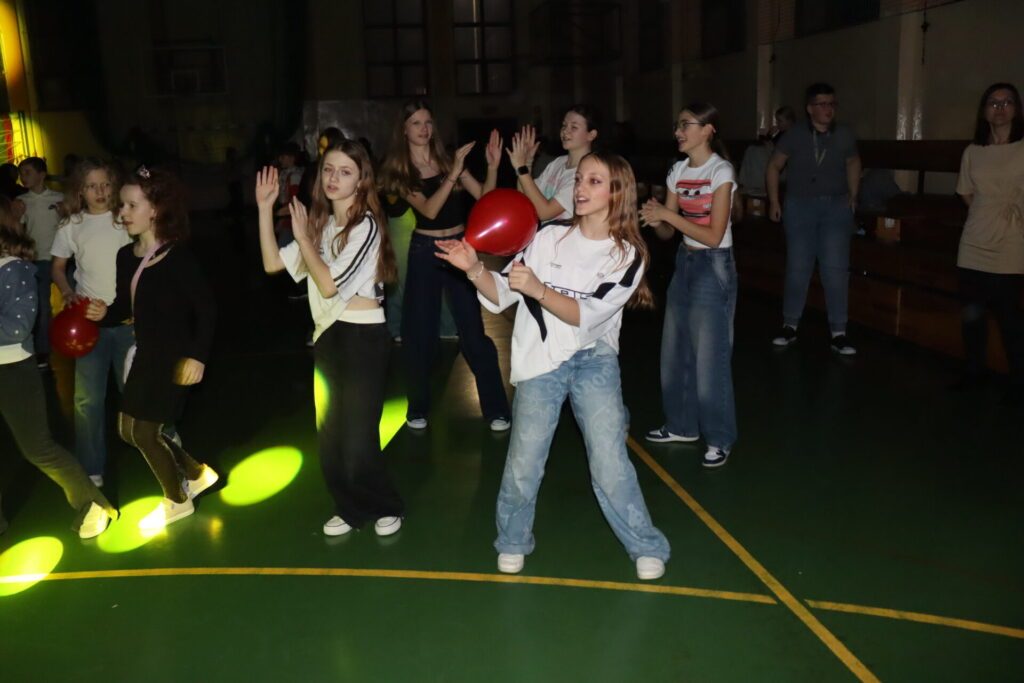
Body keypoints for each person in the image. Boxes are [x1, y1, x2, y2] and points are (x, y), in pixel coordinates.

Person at [435, 151, 671, 580]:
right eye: (579, 179)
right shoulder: (546, 238)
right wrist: (473, 268)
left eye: (594, 181)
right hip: (541, 359)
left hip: (594, 360)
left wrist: (539, 289)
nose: (580, 188)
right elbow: (502, 293)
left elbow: (585, 315)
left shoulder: (628, 255)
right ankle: (512, 539)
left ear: (617, 192)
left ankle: (645, 544)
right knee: (524, 460)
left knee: (609, 461)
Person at [256, 140, 405, 536]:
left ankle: (385, 504)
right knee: (330, 436)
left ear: (361, 181)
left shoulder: (366, 227)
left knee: (358, 439)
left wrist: (305, 239)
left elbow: (328, 286)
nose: (333, 178)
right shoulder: (320, 224)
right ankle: (349, 508)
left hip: (363, 338)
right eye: (328, 169)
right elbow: (272, 263)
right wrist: (265, 208)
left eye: (345, 171)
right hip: (327, 336)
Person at [85, 167, 218, 530]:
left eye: (132, 205)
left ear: (155, 210)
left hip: (175, 358)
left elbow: (206, 309)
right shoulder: (125, 257)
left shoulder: (178, 258)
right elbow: (125, 308)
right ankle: (196, 473)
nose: (123, 212)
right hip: (145, 354)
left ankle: (177, 500)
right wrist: (104, 313)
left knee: (145, 432)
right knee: (127, 431)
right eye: (122, 205)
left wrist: (198, 356)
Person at [379, 99, 511, 431]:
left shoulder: (448, 160)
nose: (424, 129)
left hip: (460, 249)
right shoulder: (400, 171)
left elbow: (485, 198)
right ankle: (418, 408)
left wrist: (492, 167)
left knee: (473, 332)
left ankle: (496, 409)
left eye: (428, 122)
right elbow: (429, 210)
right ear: (404, 129)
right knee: (419, 332)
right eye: (416, 123)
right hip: (425, 250)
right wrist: (452, 174)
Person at [0, 196, 115, 539]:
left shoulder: (14, 269)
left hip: (11, 371)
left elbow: (18, 327)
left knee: (38, 448)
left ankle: (93, 504)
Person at [641, 103, 739, 468]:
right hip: (685, 262)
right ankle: (681, 425)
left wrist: (669, 215)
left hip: (714, 266)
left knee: (711, 358)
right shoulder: (678, 170)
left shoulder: (720, 171)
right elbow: (669, 233)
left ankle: (720, 437)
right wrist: (658, 221)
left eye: (686, 125)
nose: (678, 132)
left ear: (708, 129)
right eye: (677, 125)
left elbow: (714, 235)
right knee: (675, 349)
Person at [50, 159, 133, 487]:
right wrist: (67, 291)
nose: (100, 191)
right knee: (87, 401)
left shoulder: (125, 219)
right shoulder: (72, 225)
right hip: (89, 325)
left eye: (105, 184)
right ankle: (91, 467)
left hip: (127, 320)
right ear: (80, 191)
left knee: (136, 392)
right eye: (91, 186)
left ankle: (166, 448)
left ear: (114, 186)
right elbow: (58, 267)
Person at [767, 83, 861, 355]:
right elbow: (774, 166)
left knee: (836, 269)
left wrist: (854, 194)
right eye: (822, 104)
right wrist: (774, 201)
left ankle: (839, 332)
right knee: (798, 267)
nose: (828, 109)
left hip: (835, 207)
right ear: (810, 109)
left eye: (831, 104)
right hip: (800, 207)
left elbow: (853, 162)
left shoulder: (844, 134)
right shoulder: (795, 134)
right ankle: (790, 325)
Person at [953, 82, 1024, 405]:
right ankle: (974, 371)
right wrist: (986, 213)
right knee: (972, 313)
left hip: (1012, 237)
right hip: (975, 239)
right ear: (984, 111)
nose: (1000, 108)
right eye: (993, 102)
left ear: (1016, 109)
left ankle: (1018, 379)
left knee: (1010, 316)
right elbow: (965, 192)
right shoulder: (973, 151)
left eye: (1007, 102)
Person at [507, 104, 600, 223]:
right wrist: (527, 164)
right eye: (564, 125)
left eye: (574, 127)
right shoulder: (558, 162)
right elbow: (525, 195)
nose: (565, 131)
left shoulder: (587, 173)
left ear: (591, 135)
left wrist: (521, 168)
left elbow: (544, 213)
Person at [18, 157, 64, 368]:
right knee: (43, 307)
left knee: (74, 300)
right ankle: (43, 351)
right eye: (21, 173)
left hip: (61, 258)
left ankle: (81, 341)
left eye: (27, 172)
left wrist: (64, 214)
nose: (23, 177)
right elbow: (19, 231)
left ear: (42, 175)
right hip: (37, 260)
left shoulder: (58, 198)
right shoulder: (22, 202)